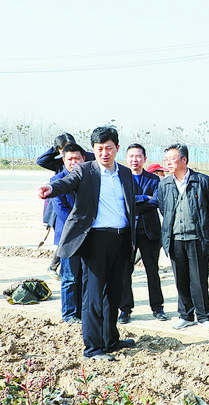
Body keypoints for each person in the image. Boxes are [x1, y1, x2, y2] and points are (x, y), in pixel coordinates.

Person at [38, 126, 136, 361]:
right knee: (93, 296)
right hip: (95, 240)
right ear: (93, 149)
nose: (104, 153)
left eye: (109, 148)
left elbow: (130, 204)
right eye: (99, 149)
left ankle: (110, 339)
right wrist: (51, 188)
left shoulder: (124, 173)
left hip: (121, 239)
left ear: (117, 148)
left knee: (113, 293)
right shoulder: (84, 170)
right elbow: (66, 183)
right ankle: (92, 348)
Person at [156, 144, 209, 330]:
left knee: (199, 280)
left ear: (184, 160)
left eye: (172, 159)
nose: (168, 163)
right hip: (175, 239)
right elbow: (164, 209)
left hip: (197, 238)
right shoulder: (164, 184)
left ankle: (204, 316)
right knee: (181, 280)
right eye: (166, 159)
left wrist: (201, 225)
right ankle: (186, 315)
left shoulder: (202, 181)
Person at [118, 144, 167, 324]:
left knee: (152, 271)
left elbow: (157, 201)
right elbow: (121, 201)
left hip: (149, 232)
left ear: (144, 159)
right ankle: (125, 309)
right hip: (127, 232)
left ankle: (157, 307)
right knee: (125, 272)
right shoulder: (121, 178)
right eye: (131, 156)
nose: (135, 160)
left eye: (138, 156)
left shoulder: (154, 179)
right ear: (126, 158)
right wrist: (144, 197)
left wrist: (134, 202)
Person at [37, 133, 94, 280]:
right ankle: (54, 266)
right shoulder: (58, 164)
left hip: (82, 209)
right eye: (63, 150)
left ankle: (55, 266)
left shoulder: (84, 158)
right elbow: (41, 160)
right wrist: (55, 149)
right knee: (64, 236)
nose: (73, 161)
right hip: (59, 201)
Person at [50, 143, 86, 324]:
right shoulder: (57, 181)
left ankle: (83, 312)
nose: (74, 162)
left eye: (77, 158)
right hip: (68, 237)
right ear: (63, 160)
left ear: (84, 159)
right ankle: (70, 314)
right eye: (69, 159)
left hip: (89, 236)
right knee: (70, 277)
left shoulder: (90, 178)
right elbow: (62, 212)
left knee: (85, 277)